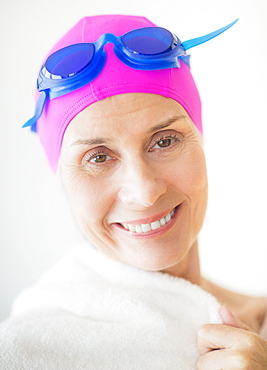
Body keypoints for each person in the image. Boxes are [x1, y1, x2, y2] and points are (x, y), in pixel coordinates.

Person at [0, 14, 266, 369]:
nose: (144, 192)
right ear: (61, 178)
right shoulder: (32, 350)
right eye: (98, 157)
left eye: (165, 141)